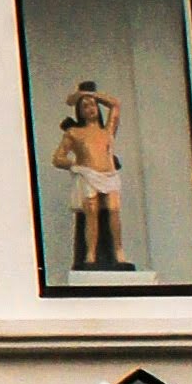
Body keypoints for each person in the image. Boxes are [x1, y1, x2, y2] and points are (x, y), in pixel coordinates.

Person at [51, 77, 127, 271]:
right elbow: (58, 158)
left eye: (92, 105)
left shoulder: (107, 130)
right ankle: (90, 254)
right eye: (85, 106)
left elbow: (115, 105)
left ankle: (119, 252)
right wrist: (75, 166)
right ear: (80, 111)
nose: (90, 108)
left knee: (113, 210)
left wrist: (89, 94)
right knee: (91, 213)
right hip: (89, 175)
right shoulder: (75, 133)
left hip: (108, 175)